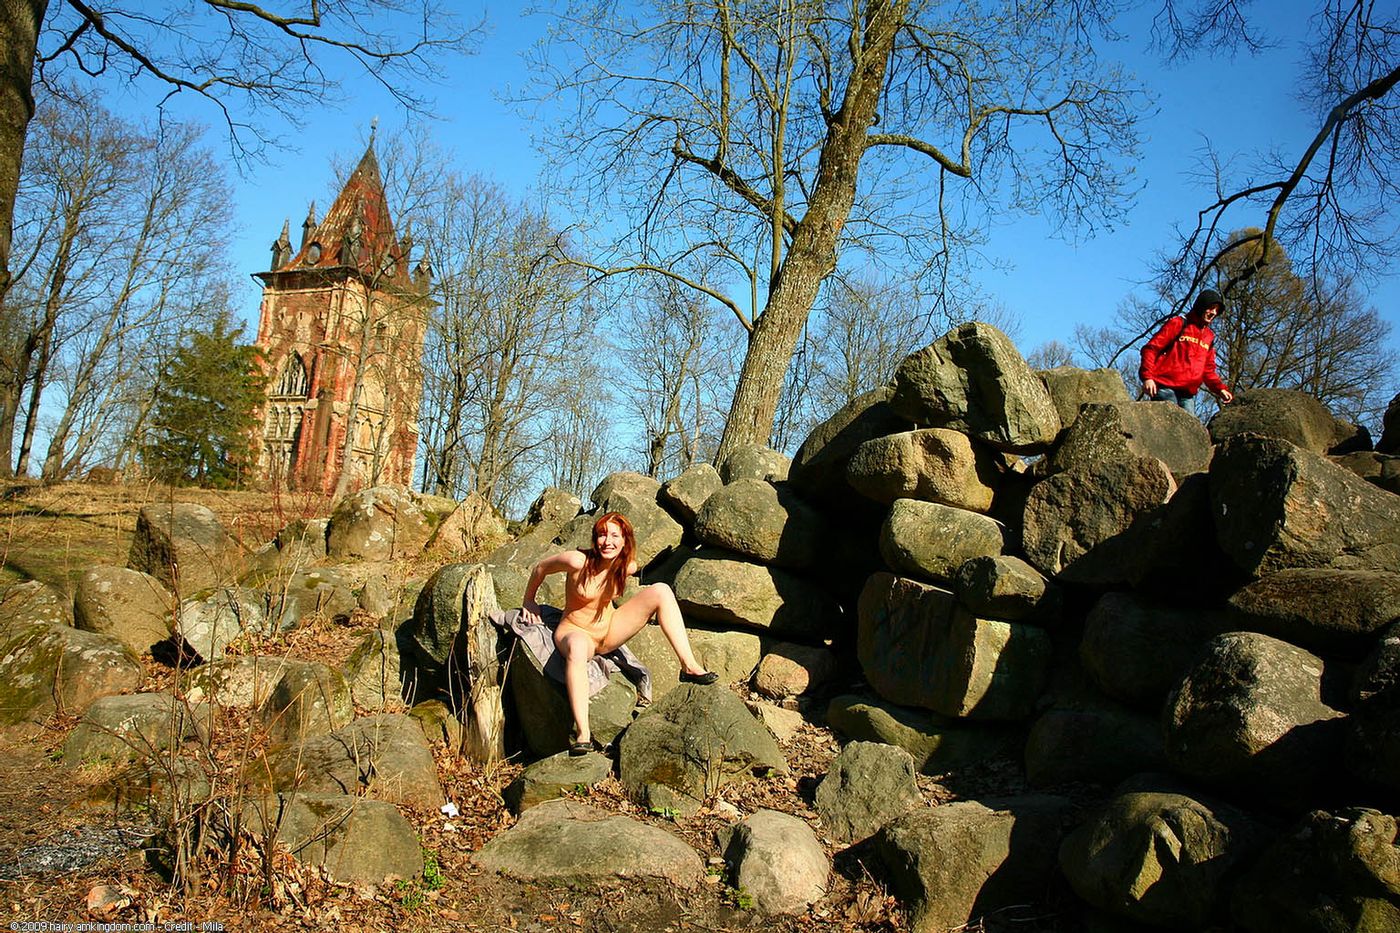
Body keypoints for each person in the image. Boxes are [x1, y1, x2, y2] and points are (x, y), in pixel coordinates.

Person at [521, 511, 717, 755]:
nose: (607, 541)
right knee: (578, 648)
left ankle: (689, 666)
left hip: (609, 631)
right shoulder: (576, 561)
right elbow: (540, 568)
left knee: (662, 591)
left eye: (615, 536)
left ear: (625, 541)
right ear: (595, 538)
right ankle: (583, 733)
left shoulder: (627, 566)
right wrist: (529, 600)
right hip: (575, 632)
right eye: (602, 535)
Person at [1139, 288, 1235, 412]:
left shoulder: (1209, 336)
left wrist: (1220, 389)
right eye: (1211, 308)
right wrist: (1147, 377)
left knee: (1190, 424)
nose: (1214, 313)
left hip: (1188, 395)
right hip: (1165, 387)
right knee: (1170, 422)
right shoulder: (1179, 323)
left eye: (1217, 310)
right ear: (1201, 306)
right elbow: (1151, 349)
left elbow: (1208, 370)